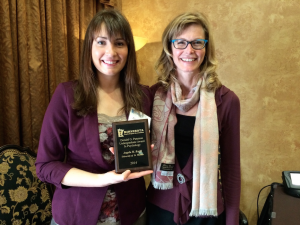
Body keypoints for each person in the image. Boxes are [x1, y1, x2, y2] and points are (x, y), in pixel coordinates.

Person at [35, 9, 153, 225]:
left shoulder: (144, 96)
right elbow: (45, 165)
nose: (111, 52)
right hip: (77, 212)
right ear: (89, 47)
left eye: (119, 43)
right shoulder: (67, 94)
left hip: (131, 212)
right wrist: (101, 180)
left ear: (129, 50)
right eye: (101, 42)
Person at [147, 12, 240, 225]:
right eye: (180, 42)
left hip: (206, 213)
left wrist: (233, 220)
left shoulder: (226, 101)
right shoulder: (153, 96)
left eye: (197, 43)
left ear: (206, 49)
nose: (189, 50)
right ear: (169, 48)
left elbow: (230, 168)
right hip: (160, 208)